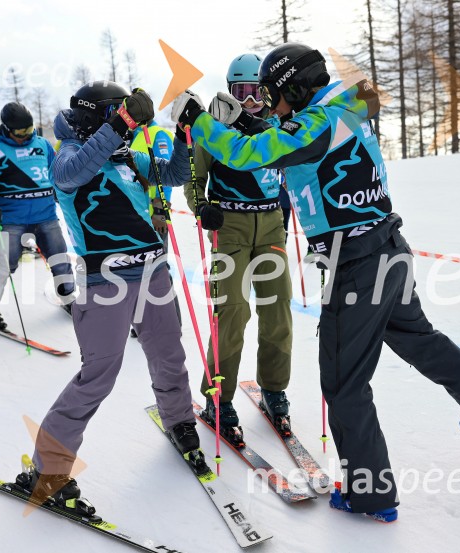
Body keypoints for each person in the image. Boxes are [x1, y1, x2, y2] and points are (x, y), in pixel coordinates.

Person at [172, 42, 460, 522]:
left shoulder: (314, 124)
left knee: (343, 383)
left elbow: (251, 153)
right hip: (388, 251)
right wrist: (248, 124)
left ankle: (370, 494)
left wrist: (200, 122)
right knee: (421, 339)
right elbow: (281, 140)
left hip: (355, 265)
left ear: (294, 87)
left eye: (275, 96)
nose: (273, 107)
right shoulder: (340, 109)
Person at [22, 81, 203, 511]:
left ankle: (179, 420)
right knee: (98, 375)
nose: (127, 123)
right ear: (94, 118)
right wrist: (120, 125)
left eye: (127, 117)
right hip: (104, 283)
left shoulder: (127, 156)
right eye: (117, 115)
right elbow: (73, 173)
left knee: (168, 354)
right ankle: (48, 469)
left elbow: (174, 174)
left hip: (153, 273)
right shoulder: (67, 157)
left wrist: (183, 135)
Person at [183, 53, 293, 446]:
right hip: (229, 226)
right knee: (232, 312)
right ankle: (218, 397)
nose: (249, 101)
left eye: (256, 91)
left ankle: (274, 388)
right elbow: (194, 180)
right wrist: (203, 209)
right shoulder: (214, 128)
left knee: (278, 308)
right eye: (240, 92)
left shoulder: (280, 125)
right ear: (229, 92)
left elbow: (292, 175)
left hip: (271, 226)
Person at [0, 102, 75, 330]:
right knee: (5, 263)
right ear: (7, 129)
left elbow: (56, 171)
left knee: (59, 258)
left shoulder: (42, 145)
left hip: (46, 215)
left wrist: (62, 193)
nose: (25, 136)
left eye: (29, 130)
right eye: (20, 132)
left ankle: (68, 298)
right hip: (12, 218)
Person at [128, 122, 182, 337]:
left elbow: (165, 174)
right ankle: (144, 321)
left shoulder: (158, 135)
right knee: (139, 269)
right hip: (136, 215)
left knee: (158, 270)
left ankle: (172, 322)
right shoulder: (133, 134)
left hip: (153, 216)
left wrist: (160, 208)